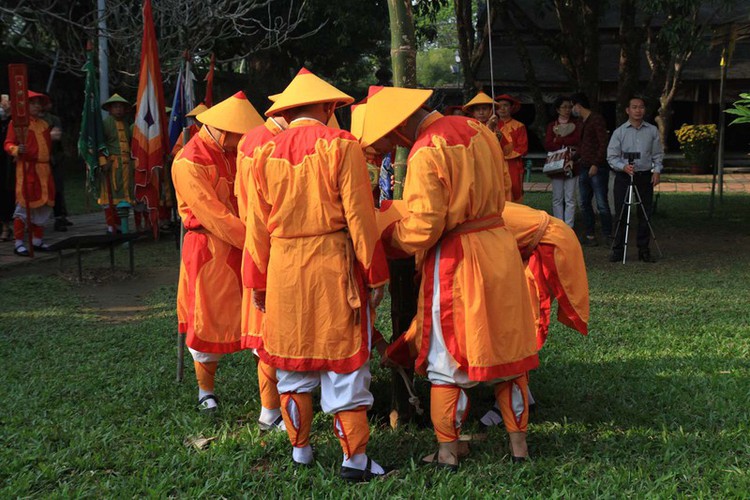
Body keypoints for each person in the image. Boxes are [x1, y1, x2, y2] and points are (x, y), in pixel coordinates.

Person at [355, 86, 538, 468]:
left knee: (447, 359)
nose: (387, 145)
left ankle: (447, 452)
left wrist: (388, 236)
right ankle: (519, 447)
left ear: (400, 124)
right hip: (499, 248)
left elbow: (425, 227)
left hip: (458, 259)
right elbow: (505, 190)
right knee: (509, 351)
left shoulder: (426, 150)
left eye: (386, 135)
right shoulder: (482, 131)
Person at [243, 69, 390, 480]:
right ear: (328, 108)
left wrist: (257, 282)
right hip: (331, 262)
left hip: (284, 269)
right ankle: (354, 461)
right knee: (343, 364)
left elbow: (256, 229)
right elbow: (361, 216)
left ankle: (301, 452)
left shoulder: (263, 153)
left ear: (287, 113)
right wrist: (375, 271)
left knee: (293, 365)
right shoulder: (342, 145)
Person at [172, 92, 265, 412]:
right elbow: (214, 216)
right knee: (207, 318)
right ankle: (205, 390)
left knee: (258, 313)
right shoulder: (189, 161)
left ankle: (270, 392)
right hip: (209, 248)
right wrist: (257, 241)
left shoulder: (236, 152)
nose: (242, 139)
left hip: (246, 244)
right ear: (221, 129)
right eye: (238, 134)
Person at [235, 113, 289, 432]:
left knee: (267, 336)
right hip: (266, 245)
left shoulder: (251, 138)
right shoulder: (268, 142)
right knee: (268, 335)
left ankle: (274, 407)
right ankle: (270, 409)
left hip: (260, 241)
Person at [607, 96, 663, 263]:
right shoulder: (620, 132)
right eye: (634, 107)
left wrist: (657, 171)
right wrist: (623, 166)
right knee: (621, 212)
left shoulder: (652, 131)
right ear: (628, 110)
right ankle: (618, 250)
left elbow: (657, 154)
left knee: (645, 213)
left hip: (645, 175)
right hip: (624, 176)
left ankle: (644, 250)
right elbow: (611, 157)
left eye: (641, 107)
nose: (638, 110)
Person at [3, 90, 56, 257]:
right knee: (24, 205)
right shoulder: (17, 124)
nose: (37, 106)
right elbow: (8, 143)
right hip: (27, 168)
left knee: (42, 205)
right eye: (33, 103)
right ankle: (18, 243)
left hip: (44, 170)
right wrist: (17, 149)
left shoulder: (44, 124)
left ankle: (37, 240)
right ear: (24, 106)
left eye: (38, 103)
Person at [570, 92, 612, 247]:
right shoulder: (582, 122)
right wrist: (572, 159)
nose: (572, 109)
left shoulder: (596, 119)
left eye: (573, 105)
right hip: (584, 166)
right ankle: (590, 235)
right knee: (584, 202)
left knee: (601, 203)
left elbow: (603, 143)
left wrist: (596, 163)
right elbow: (582, 146)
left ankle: (608, 234)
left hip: (598, 167)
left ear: (578, 105)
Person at [544, 96, 581, 228]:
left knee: (570, 197)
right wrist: (565, 142)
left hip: (572, 163)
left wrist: (559, 140)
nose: (567, 110)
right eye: (564, 107)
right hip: (556, 165)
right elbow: (548, 144)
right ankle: (559, 225)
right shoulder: (551, 126)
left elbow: (577, 141)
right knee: (557, 197)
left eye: (569, 107)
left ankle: (569, 226)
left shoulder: (577, 124)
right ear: (557, 109)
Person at [100, 94, 134, 234]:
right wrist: (103, 162)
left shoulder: (127, 125)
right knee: (111, 196)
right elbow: (99, 144)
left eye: (121, 107)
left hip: (126, 165)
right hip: (112, 165)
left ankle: (122, 225)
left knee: (124, 196)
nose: (118, 109)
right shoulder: (105, 124)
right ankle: (111, 227)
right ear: (109, 109)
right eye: (115, 107)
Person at [38, 99, 68, 232]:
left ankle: (59, 218)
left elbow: (57, 137)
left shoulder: (53, 119)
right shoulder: (30, 120)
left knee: (57, 189)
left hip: (54, 158)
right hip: (37, 159)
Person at [495, 94, 528, 202]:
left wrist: (505, 154)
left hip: (513, 164)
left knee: (515, 189)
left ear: (511, 108)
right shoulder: (492, 125)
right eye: (499, 106)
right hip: (495, 163)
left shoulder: (519, 126)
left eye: (506, 105)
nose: (502, 109)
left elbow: (522, 147)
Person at [0, 94, 14, 241]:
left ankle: (9, 226)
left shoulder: (16, 121)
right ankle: (5, 227)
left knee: (10, 194)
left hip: (11, 162)